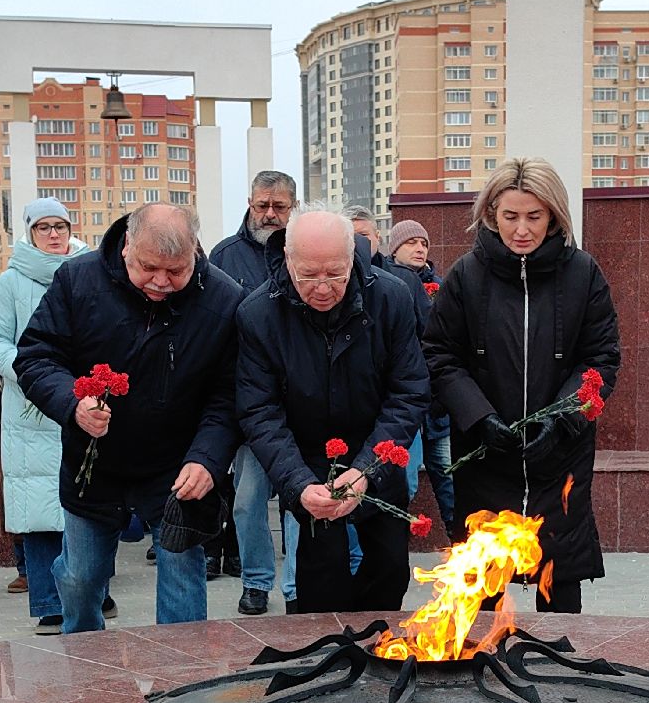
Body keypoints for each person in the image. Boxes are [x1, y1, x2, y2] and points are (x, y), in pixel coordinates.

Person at [14, 203, 241, 633]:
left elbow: (228, 395)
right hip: (95, 461)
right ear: (126, 248)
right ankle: (84, 667)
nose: (161, 282)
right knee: (81, 578)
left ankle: (181, 678)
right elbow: (37, 357)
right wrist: (72, 403)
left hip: (178, 466)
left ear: (194, 251)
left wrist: (208, 459)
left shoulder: (224, 300)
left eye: (175, 271)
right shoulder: (78, 281)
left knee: (181, 578)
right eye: (149, 267)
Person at [424, 157, 621, 614]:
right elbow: (439, 354)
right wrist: (480, 417)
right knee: (482, 585)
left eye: (534, 216)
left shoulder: (583, 273)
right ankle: (477, 673)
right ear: (491, 213)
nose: (522, 230)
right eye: (510, 216)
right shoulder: (467, 277)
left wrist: (563, 417)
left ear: (554, 214)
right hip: (488, 456)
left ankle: (561, 671)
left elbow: (601, 358)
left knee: (561, 574)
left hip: (559, 457)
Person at [238, 208, 428, 613]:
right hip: (308, 466)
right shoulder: (258, 313)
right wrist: (299, 484)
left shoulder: (391, 297)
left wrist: (367, 472)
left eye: (335, 273)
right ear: (288, 259)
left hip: (377, 456)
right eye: (307, 275)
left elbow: (408, 392)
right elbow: (259, 410)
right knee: (319, 590)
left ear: (353, 257)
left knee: (389, 573)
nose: (322, 288)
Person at [0, 197, 115, 634]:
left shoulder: (93, 270)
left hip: (84, 403)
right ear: (29, 232)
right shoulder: (10, 281)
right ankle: (47, 602)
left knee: (88, 497)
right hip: (30, 407)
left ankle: (93, 590)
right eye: (43, 227)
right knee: (38, 506)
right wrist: (29, 373)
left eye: (60, 225)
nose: (54, 234)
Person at [207, 170, 297, 617]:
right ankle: (257, 582)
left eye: (279, 206)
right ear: (249, 201)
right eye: (262, 204)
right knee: (247, 500)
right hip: (250, 400)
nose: (269, 214)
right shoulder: (224, 256)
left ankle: (296, 584)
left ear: (293, 207)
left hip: (302, 400)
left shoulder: (304, 249)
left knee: (303, 500)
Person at [378, 219, 458, 540]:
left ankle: (461, 543)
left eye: (423, 243)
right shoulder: (384, 285)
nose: (419, 248)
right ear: (395, 248)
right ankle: (391, 544)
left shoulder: (441, 286)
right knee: (404, 480)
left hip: (437, 405)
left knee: (449, 475)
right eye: (411, 242)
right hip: (403, 405)